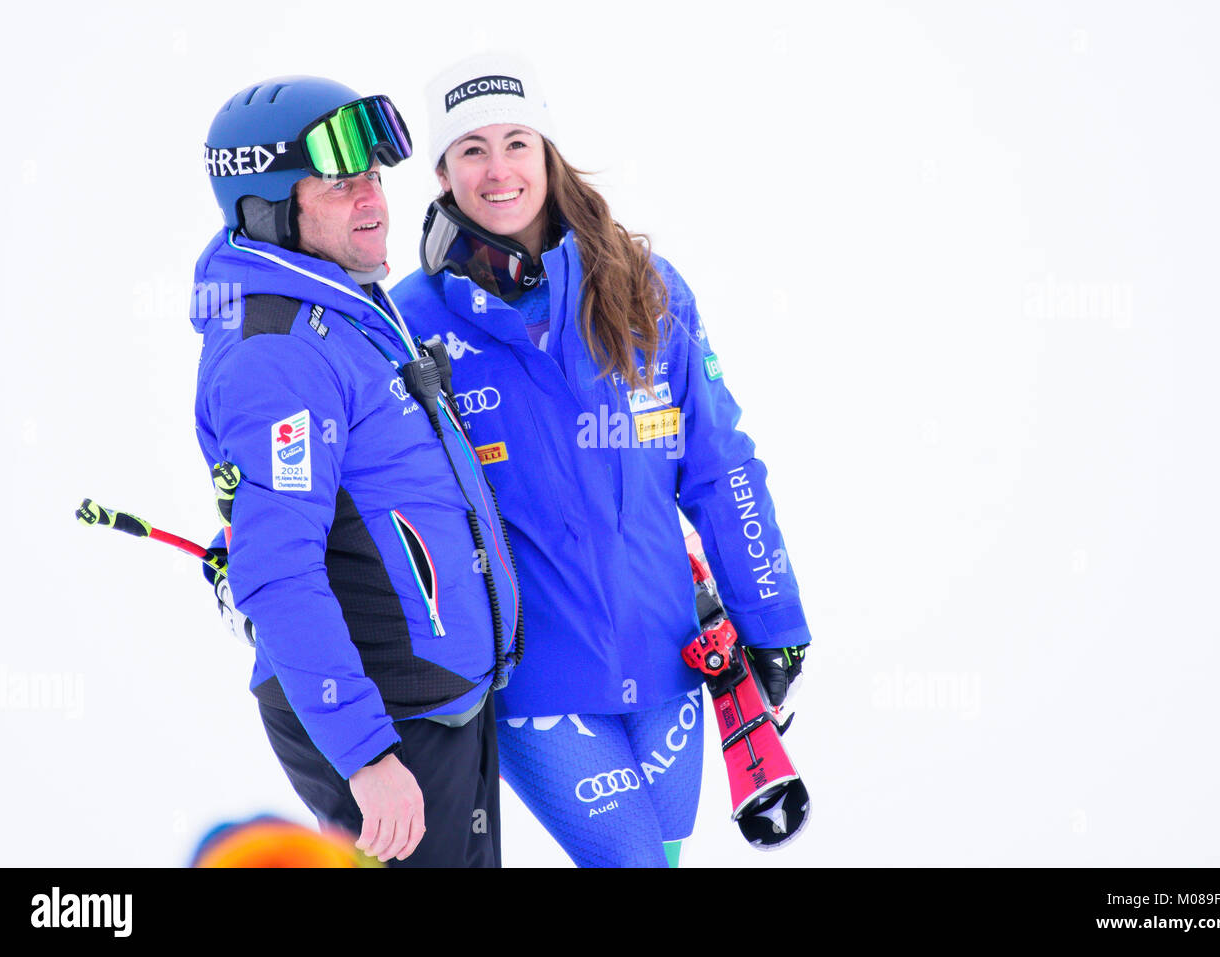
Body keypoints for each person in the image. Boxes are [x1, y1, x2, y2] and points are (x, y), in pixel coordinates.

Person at [389, 53, 812, 868]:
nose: (499, 169)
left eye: (518, 141)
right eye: (471, 149)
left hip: (673, 663)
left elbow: (722, 470)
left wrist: (774, 622)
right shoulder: (409, 323)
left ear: (548, 152)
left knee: (662, 858)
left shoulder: (645, 289)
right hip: (533, 682)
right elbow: (382, 502)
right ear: (442, 173)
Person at [191, 75, 521, 867]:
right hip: (385, 724)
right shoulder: (279, 355)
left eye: (373, 177)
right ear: (267, 207)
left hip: (435, 700)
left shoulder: (343, 300)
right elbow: (279, 571)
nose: (372, 198)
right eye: (340, 185)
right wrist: (367, 756)